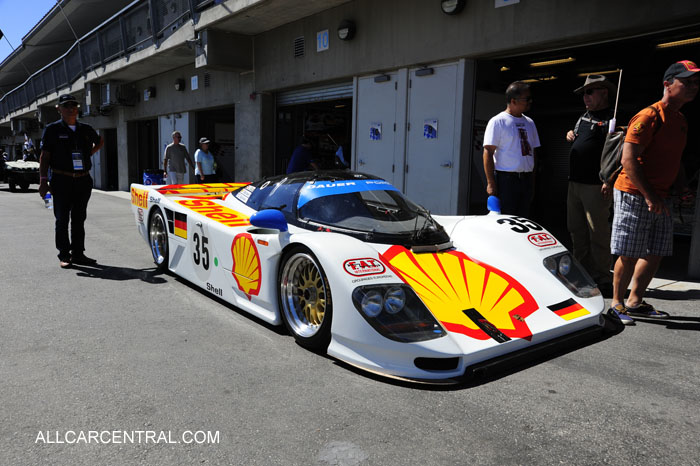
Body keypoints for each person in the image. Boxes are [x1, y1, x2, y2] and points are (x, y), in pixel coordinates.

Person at [608, 60, 699, 324]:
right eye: (687, 82)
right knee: (629, 251)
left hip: (662, 195)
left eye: (696, 83)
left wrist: (681, 187)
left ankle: (635, 301)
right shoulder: (649, 116)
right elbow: (628, 160)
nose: (694, 87)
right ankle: (616, 304)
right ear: (668, 84)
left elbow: (676, 159)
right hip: (635, 193)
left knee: (656, 250)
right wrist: (649, 196)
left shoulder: (680, 120)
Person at [38, 94, 104, 268]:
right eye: (66, 105)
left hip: (83, 180)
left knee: (79, 218)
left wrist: (89, 154)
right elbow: (44, 157)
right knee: (62, 219)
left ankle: (78, 254)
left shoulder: (86, 129)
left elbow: (100, 141)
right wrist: (43, 181)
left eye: (74, 105)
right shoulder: (52, 130)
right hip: (61, 179)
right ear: (59, 109)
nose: (71, 108)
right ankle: (64, 255)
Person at [565, 75, 616, 293]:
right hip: (574, 183)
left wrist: (610, 179)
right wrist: (571, 134)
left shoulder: (613, 119)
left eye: (589, 92)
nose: (585, 97)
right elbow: (579, 137)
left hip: (596, 185)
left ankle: (603, 278)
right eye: (583, 93)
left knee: (598, 233)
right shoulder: (583, 118)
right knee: (577, 231)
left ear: (603, 92)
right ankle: (581, 273)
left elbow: (618, 153)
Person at [482, 81, 541, 216]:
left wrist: (532, 181)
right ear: (513, 101)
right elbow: (488, 153)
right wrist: (490, 183)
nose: (530, 102)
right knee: (505, 219)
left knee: (523, 218)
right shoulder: (498, 121)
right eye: (527, 99)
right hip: (506, 180)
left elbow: (533, 153)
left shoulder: (530, 123)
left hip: (525, 179)